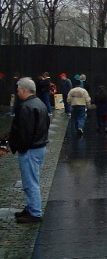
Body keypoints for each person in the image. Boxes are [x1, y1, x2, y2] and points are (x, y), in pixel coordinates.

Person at [7, 77, 50, 223]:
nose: (17, 93)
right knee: (31, 180)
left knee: (30, 182)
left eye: (18, 90)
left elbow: (24, 132)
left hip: (30, 149)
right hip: (39, 147)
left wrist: (15, 146)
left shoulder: (26, 107)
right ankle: (31, 207)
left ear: (24, 90)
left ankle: (35, 213)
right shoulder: (40, 104)